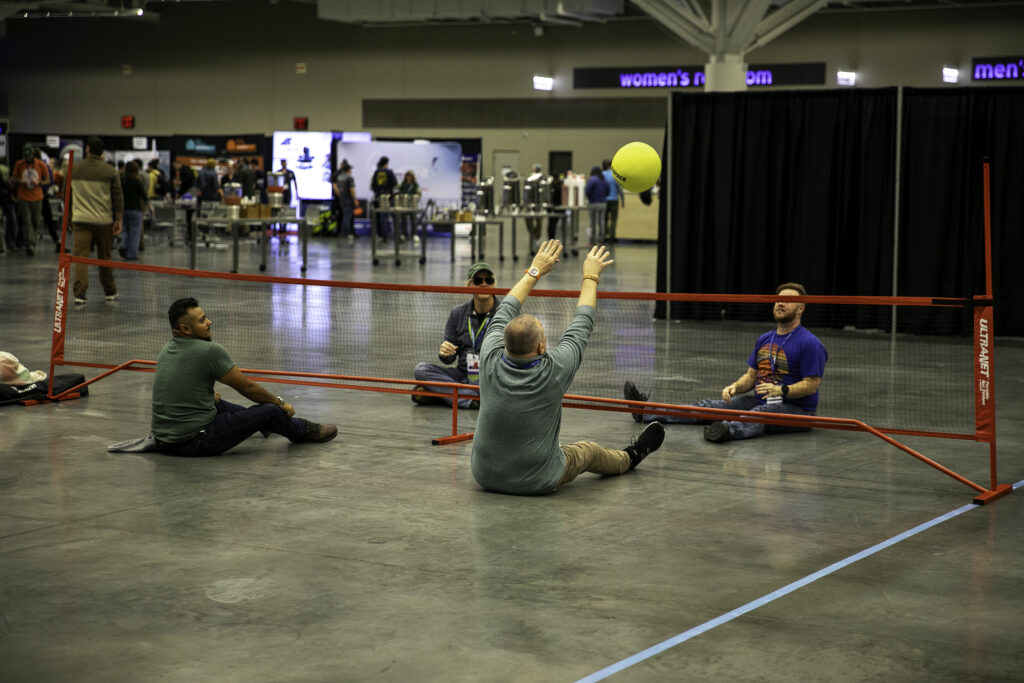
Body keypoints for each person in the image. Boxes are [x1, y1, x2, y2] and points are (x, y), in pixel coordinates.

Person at [470, 240, 666, 495]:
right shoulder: (555, 370)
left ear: (503, 342)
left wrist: (534, 269)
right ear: (542, 348)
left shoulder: (488, 355)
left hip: (484, 474)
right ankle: (632, 456)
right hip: (537, 480)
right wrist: (591, 275)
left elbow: (506, 307)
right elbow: (582, 320)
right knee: (589, 451)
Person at [624, 282, 828, 443]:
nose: (780, 303)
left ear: (801, 308)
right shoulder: (766, 339)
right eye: (777, 300)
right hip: (760, 399)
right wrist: (734, 387)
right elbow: (751, 377)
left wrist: (782, 391)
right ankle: (646, 412)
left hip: (797, 410)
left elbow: (812, 385)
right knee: (712, 406)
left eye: (788, 301)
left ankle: (727, 430)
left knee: (761, 414)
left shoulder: (810, 344)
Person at [151, 297, 338, 457]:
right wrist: (279, 403)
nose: (209, 322)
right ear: (186, 329)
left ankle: (264, 424)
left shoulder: (166, 349)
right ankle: (303, 430)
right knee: (269, 410)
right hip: (195, 441)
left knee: (216, 402)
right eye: (202, 320)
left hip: (164, 440)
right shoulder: (209, 351)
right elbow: (248, 388)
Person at [412, 262, 498, 410]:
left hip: (492, 376)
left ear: (494, 284)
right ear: (468, 285)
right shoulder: (457, 313)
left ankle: (450, 396)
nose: (484, 284)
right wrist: (445, 353)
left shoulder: (505, 313)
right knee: (421, 370)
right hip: (463, 374)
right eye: (478, 281)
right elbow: (449, 359)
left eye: (488, 280)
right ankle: (471, 399)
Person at [70, 136, 123, 305]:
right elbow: (118, 197)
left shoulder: (75, 169)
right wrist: (119, 219)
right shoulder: (110, 171)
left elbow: (66, 194)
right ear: (102, 152)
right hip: (103, 220)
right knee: (105, 257)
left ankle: (80, 293)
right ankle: (110, 291)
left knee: (80, 257)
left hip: (80, 219)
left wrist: (70, 216)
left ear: (87, 149)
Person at [11, 144, 51, 256]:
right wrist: (20, 180)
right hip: (24, 196)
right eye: (25, 155)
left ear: (33, 154)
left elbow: (48, 180)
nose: (27, 158)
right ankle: (30, 244)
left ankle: (32, 242)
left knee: (36, 222)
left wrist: (39, 183)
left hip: (37, 197)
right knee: (26, 221)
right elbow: (13, 178)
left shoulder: (40, 164)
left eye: (29, 155)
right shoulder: (19, 164)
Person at [120, 161, 148, 260]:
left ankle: (123, 245)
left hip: (124, 209)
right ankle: (131, 254)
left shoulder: (123, 180)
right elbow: (144, 195)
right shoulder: (137, 181)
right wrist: (148, 205)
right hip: (136, 210)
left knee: (126, 230)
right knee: (135, 232)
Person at [370, 156, 397, 242]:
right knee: (394, 215)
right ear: (386, 163)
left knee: (382, 217)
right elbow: (394, 183)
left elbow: (373, 186)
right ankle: (398, 235)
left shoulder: (376, 172)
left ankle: (383, 236)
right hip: (389, 197)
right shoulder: (389, 172)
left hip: (379, 197)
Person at [332, 160, 357, 242]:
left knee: (344, 216)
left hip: (342, 199)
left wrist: (340, 195)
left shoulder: (339, 177)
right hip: (348, 199)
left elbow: (336, 187)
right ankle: (345, 234)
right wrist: (355, 199)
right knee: (347, 216)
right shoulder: (349, 178)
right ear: (348, 170)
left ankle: (343, 233)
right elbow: (352, 190)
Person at [584, 165, 610, 245]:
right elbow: (608, 192)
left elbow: (587, 191)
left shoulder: (592, 179)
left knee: (593, 222)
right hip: (603, 204)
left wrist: (591, 198)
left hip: (593, 203)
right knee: (601, 221)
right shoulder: (604, 180)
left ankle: (593, 240)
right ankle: (601, 239)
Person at [601, 158, 624, 243]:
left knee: (604, 219)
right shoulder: (615, 175)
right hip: (614, 200)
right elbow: (620, 189)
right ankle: (612, 237)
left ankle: (603, 237)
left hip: (604, 200)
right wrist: (623, 200)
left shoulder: (602, 174)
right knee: (613, 219)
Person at [524, 163, 544, 253]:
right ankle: (533, 236)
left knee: (539, 222)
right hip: (529, 204)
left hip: (539, 205)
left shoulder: (542, 179)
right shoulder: (529, 179)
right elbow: (525, 192)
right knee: (528, 220)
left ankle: (536, 237)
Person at [397, 170, 419, 243]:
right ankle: (404, 234)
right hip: (404, 205)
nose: (408, 178)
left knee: (413, 220)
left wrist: (416, 196)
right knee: (403, 220)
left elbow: (418, 193)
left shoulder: (415, 184)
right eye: (407, 176)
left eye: (410, 176)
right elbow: (399, 192)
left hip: (412, 205)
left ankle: (414, 234)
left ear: (412, 177)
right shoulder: (402, 184)